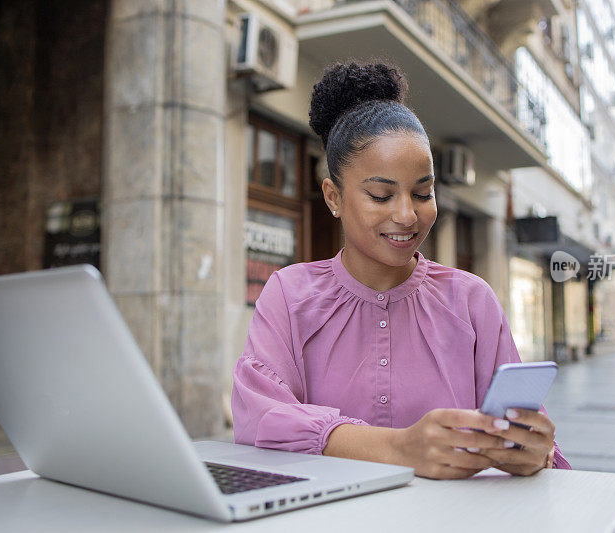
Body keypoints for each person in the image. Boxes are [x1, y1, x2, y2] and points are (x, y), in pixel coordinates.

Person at [231, 60, 570, 479]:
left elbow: (522, 428)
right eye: (380, 195)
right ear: (333, 197)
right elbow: (259, 418)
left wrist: (534, 450)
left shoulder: (470, 300)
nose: (408, 215)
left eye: (423, 193)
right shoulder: (289, 293)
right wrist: (400, 448)